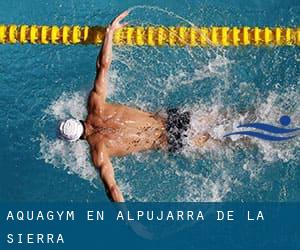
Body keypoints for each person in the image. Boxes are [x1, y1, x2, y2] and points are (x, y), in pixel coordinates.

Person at [58, 11, 210, 202]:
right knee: (226, 118)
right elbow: (103, 66)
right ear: (76, 119)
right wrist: (109, 33)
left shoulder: (99, 152)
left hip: (171, 140)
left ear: (76, 140)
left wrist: (129, 221)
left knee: (228, 141)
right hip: (172, 118)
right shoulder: (95, 105)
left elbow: (112, 189)